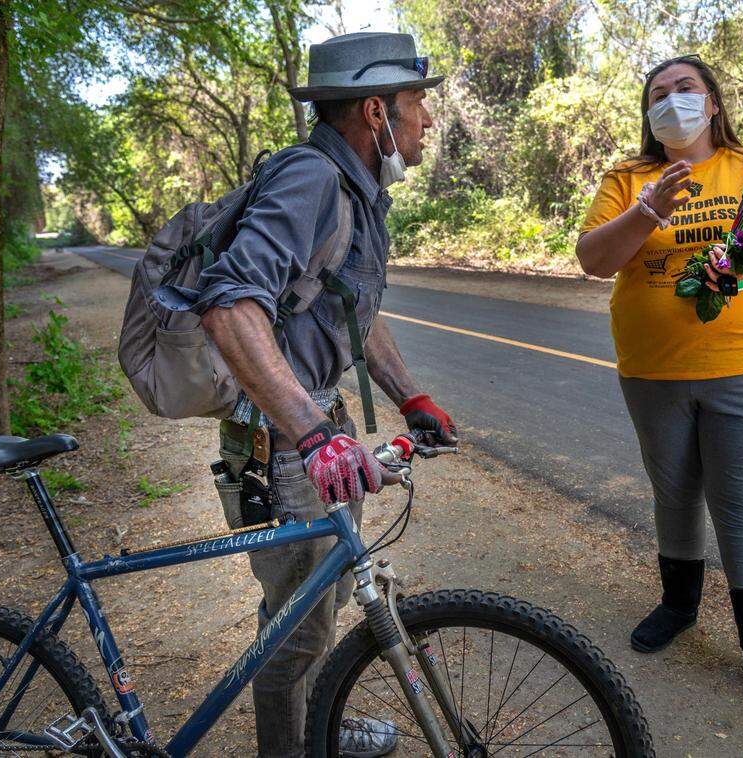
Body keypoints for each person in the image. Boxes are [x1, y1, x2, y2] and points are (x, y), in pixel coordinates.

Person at [196, 32, 458, 758]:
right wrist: (312, 434)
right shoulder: (310, 179)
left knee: (321, 599)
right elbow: (228, 306)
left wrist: (411, 396)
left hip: (315, 425)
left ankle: (317, 721)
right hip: (281, 441)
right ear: (376, 112)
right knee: (299, 627)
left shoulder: (356, 190)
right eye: (417, 106)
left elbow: (349, 311)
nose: (426, 123)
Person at [575, 54, 743, 720]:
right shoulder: (627, 178)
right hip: (652, 369)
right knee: (675, 493)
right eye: (658, 95)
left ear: (713, 101)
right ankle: (678, 606)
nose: (672, 102)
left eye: (685, 89)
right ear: (648, 114)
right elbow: (593, 261)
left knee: (741, 504)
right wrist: (647, 211)